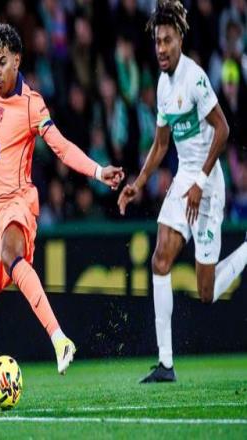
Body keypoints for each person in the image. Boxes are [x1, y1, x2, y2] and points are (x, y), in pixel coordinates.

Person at [0, 23, 124, 413]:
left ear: (18, 60)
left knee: (10, 254)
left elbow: (61, 147)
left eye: (3, 62)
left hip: (21, 204)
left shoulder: (32, 105)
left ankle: (59, 339)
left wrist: (97, 170)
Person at [118, 0, 247, 383]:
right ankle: (166, 364)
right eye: (157, 41)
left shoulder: (195, 78)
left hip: (207, 185)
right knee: (160, 260)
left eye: (167, 41)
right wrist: (138, 184)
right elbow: (161, 144)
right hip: (183, 180)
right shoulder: (162, 84)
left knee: (206, 293)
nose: (161, 48)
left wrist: (201, 183)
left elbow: (223, 129)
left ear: (180, 40)